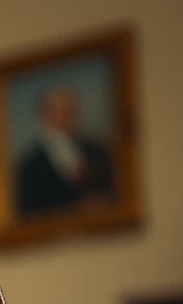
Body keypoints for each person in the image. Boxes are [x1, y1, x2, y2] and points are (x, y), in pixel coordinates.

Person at [15, 86, 113, 217]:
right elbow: (28, 212)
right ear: (44, 115)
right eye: (58, 111)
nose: (66, 116)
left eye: (69, 110)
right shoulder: (30, 165)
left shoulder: (96, 150)